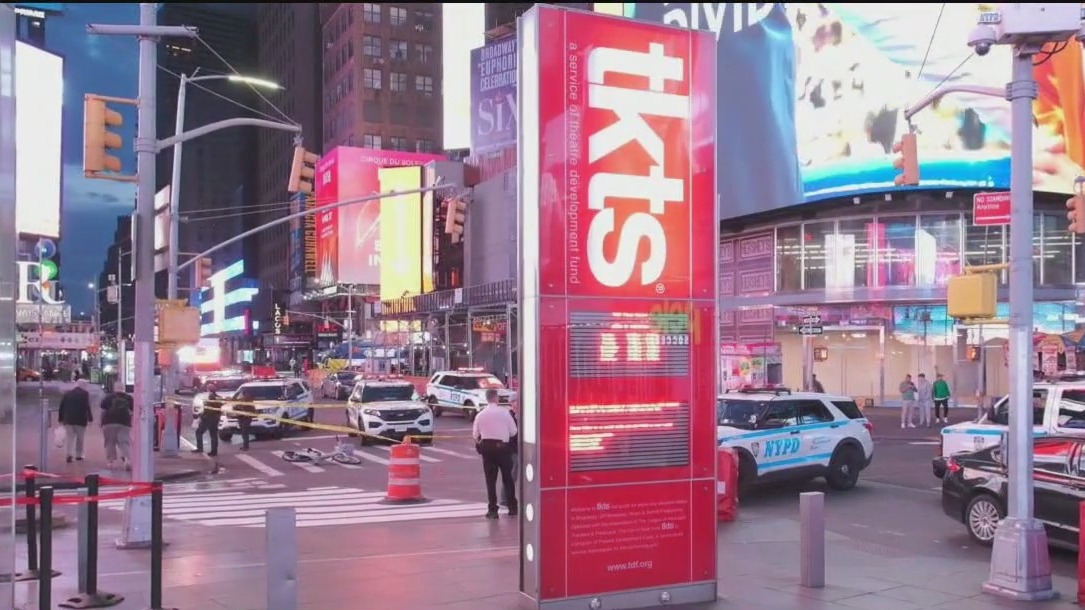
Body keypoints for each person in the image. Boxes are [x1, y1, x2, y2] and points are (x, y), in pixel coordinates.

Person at [473, 389, 518, 519]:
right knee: (508, 479)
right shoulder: (504, 413)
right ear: (496, 398)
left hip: (487, 450)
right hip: (503, 449)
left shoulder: (480, 415)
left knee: (490, 481)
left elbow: (475, 435)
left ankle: (492, 510)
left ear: (487, 399)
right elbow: (513, 432)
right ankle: (512, 507)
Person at [57, 378, 93, 463]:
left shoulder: (67, 394)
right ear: (83, 386)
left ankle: (69, 454)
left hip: (69, 419)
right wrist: (90, 418)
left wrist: (60, 418)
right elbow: (87, 407)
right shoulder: (85, 394)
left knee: (70, 438)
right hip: (80, 419)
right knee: (80, 438)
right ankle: (78, 455)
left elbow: (61, 407)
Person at [100, 382, 133, 470]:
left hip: (109, 422)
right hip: (124, 423)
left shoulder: (108, 397)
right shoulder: (128, 398)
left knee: (110, 442)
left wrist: (101, 422)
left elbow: (103, 410)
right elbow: (132, 411)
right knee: (124, 442)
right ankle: (127, 459)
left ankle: (110, 462)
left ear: (115, 388)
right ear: (123, 388)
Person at [193, 382, 222, 457]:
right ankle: (214, 451)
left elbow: (205, 409)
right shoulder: (218, 397)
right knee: (214, 435)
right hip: (215, 418)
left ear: (208, 389)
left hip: (207, 418)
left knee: (199, 432)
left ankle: (200, 448)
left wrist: (199, 415)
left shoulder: (208, 398)